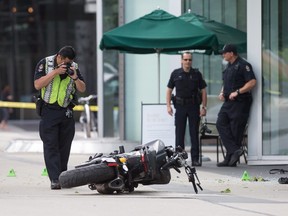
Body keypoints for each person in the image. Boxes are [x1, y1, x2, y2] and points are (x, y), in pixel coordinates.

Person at [34, 46, 86, 189]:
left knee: (65, 145)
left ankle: (62, 176)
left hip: (66, 110)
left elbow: (82, 88)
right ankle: (55, 179)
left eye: (69, 62)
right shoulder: (45, 64)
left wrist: (75, 77)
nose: (66, 65)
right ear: (59, 57)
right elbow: (38, 85)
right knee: (51, 145)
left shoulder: (74, 68)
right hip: (48, 110)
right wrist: (55, 72)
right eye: (65, 62)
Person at [216, 44, 256, 167]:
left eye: (224, 52)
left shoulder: (244, 65)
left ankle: (230, 159)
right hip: (228, 102)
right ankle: (235, 150)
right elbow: (226, 82)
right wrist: (222, 92)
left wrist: (238, 92)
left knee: (235, 130)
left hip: (240, 102)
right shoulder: (228, 66)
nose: (223, 55)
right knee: (220, 123)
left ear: (231, 53)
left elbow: (252, 82)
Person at [166, 52, 207, 166]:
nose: (188, 62)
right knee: (179, 133)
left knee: (194, 133)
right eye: (185, 60)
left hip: (194, 106)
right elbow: (169, 90)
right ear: (181, 60)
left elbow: (203, 91)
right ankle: (179, 158)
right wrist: (168, 105)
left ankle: (195, 159)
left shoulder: (197, 74)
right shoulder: (175, 73)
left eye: (189, 60)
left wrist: (204, 107)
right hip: (180, 106)